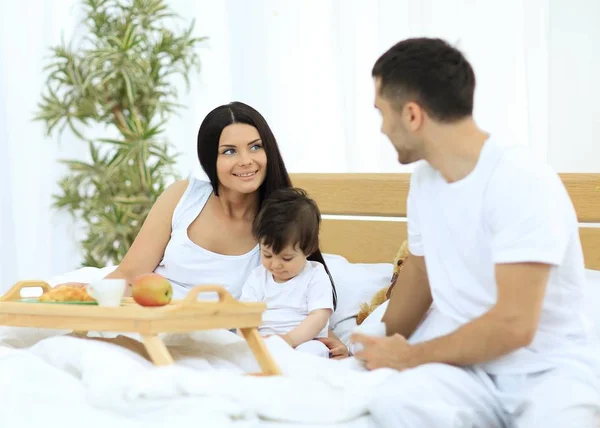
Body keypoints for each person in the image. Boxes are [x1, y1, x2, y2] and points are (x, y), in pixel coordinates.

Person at [351, 38, 600, 427]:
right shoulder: (425, 182)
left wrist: (411, 356)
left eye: (382, 113)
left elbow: (514, 325)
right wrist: (369, 342)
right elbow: (419, 274)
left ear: (412, 115)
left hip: (545, 370)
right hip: (463, 370)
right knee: (395, 403)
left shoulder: (519, 179)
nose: (382, 128)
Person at [57, 101, 349, 358]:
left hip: (211, 339)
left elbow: (300, 288)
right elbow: (130, 274)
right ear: (211, 158)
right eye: (229, 151)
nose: (246, 160)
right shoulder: (182, 196)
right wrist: (84, 299)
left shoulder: (280, 223)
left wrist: (326, 337)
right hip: (150, 320)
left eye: (256, 147)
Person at [239, 187, 337, 357]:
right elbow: (245, 315)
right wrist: (249, 342)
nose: (275, 265)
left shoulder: (315, 275)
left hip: (304, 342)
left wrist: (288, 340)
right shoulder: (257, 277)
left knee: (312, 353)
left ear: (309, 249)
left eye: (286, 258)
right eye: (267, 254)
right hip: (264, 342)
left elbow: (319, 316)